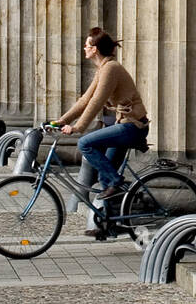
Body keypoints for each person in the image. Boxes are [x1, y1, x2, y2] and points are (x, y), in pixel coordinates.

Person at [55, 28, 150, 202]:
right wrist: (61, 121)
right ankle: (106, 224)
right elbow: (85, 100)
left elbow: (97, 101)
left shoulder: (111, 68)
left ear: (94, 49)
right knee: (104, 178)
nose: (84, 48)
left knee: (85, 143)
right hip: (125, 125)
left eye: (86, 45)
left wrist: (78, 127)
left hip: (133, 126)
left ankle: (118, 182)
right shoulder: (104, 67)